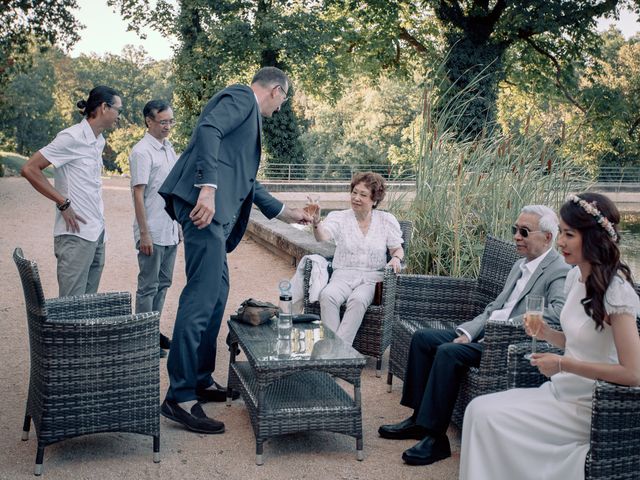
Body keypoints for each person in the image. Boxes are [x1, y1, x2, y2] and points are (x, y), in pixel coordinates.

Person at [158, 67, 312, 434]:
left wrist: (286, 213)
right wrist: (207, 188)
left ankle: (199, 378)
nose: (282, 106)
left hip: (212, 215)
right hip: (203, 211)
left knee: (217, 294)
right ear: (276, 90)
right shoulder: (241, 97)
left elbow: (246, 181)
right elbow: (207, 129)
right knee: (200, 299)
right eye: (285, 98)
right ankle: (179, 397)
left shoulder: (246, 117)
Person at [459, 193, 640, 480]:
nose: (560, 242)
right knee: (478, 409)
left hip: (590, 406)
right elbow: (578, 343)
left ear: (592, 237)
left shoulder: (617, 293)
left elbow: (632, 373)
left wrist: (562, 365)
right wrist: (547, 333)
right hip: (560, 392)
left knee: (486, 416)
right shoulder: (574, 278)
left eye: (569, 234)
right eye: (561, 233)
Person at [378, 205, 571, 466]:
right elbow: (494, 307)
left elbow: (557, 312)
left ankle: (436, 440)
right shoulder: (519, 265)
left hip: (509, 342)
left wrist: (502, 328)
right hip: (485, 334)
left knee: (448, 352)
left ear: (547, 237)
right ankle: (418, 420)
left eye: (524, 232)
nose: (516, 236)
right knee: (423, 339)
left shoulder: (558, 270)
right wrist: (469, 332)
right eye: (515, 230)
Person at [21, 86, 122, 297]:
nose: (118, 116)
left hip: (97, 234)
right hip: (74, 236)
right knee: (70, 309)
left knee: (87, 309)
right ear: (104, 107)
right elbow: (30, 168)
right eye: (118, 110)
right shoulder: (71, 137)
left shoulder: (99, 141)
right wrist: (62, 202)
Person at [311, 172, 404, 345]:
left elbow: (397, 248)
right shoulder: (339, 217)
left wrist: (396, 259)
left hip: (372, 279)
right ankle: (339, 355)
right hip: (342, 275)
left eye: (363, 195)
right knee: (327, 295)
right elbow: (321, 236)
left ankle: (334, 352)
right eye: (354, 192)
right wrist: (316, 222)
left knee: (358, 299)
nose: (356, 198)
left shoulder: (386, 220)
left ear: (374, 200)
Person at [129, 100, 181, 358]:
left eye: (171, 121)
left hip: (170, 229)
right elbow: (138, 194)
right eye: (163, 122)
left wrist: (179, 225)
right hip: (152, 230)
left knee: (164, 284)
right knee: (148, 286)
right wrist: (144, 233)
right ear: (149, 121)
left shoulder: (168, 148)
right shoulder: (142, 151)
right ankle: (142, 340)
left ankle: (152, 331)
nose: (168, 126)